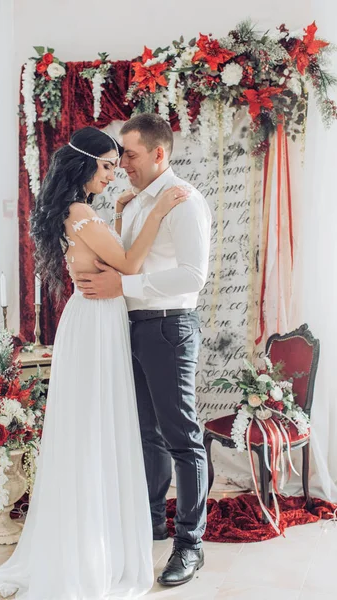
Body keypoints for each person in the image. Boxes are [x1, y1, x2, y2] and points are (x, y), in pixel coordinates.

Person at [0, 126, 189, 600]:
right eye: (108, 165)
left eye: (119, 164)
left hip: (92, 318)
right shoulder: (79, 212)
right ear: (84, 164)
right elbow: (131, 265)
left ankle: (95, 538)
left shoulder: (76, 212)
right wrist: (156, 211)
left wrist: (116, 216)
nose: (115, 174)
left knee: (96, 427)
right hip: (96, 322)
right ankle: (95, 549)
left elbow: (103, 257)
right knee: (98, 427)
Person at [76, 114, 212, 587]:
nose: (122, 165)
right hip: (131, 327)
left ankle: (190, 545)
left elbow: (194, 276)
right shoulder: (133, 203)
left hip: (169, 327)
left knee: (182, 438)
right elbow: (126, 254)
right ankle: (153, 520)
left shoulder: (185, 202)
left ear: (159, 154)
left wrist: (126, 284)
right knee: (145, 435)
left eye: (130, 155)